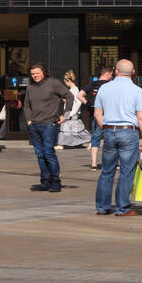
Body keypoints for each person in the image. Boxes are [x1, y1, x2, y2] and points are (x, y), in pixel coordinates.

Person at [94, 59, 142, 217]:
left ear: (116, 71)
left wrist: (106, 128)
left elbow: (98, 113)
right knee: (126, 171)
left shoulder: (104, 88)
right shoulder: (137, 90)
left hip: (109, 131)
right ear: (133, 72)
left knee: (106, 171)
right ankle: (122, 208)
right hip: (128, 132)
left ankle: (102, 207)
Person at [24, 63, 74, 192]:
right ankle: (45, 182)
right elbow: (26, 105)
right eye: (32, 74)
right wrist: (29, 120)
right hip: (34, 125)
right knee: (40, 155)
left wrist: (66, 115)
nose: (35, 76)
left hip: (48, 124)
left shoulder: (53, 83)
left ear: (43, 72)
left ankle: (55, 182)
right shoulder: (30, 86)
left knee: (48, 153)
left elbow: (70, 96)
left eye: (37, 73)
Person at [83, 66, 113, 169]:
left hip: (96, 115)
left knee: (95, 139)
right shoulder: (110, 85)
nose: (111, 76)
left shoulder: (93, 84)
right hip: (109, 115)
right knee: (110, 139)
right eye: (111, 74)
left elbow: (79, 95)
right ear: (107, 74)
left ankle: (94, 163)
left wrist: (88, 104)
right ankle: (111, 163)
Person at [56, 71, 90, 150]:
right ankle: (87, 141)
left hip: (71, 112)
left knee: (68, 127)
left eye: (65, 82)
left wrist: (72, 113)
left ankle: (61, 144)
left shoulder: (74, 90)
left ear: (69, 80)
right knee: (73, 128)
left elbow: (78, 103)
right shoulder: (73, 90)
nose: (65, 84)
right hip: (70, 112)